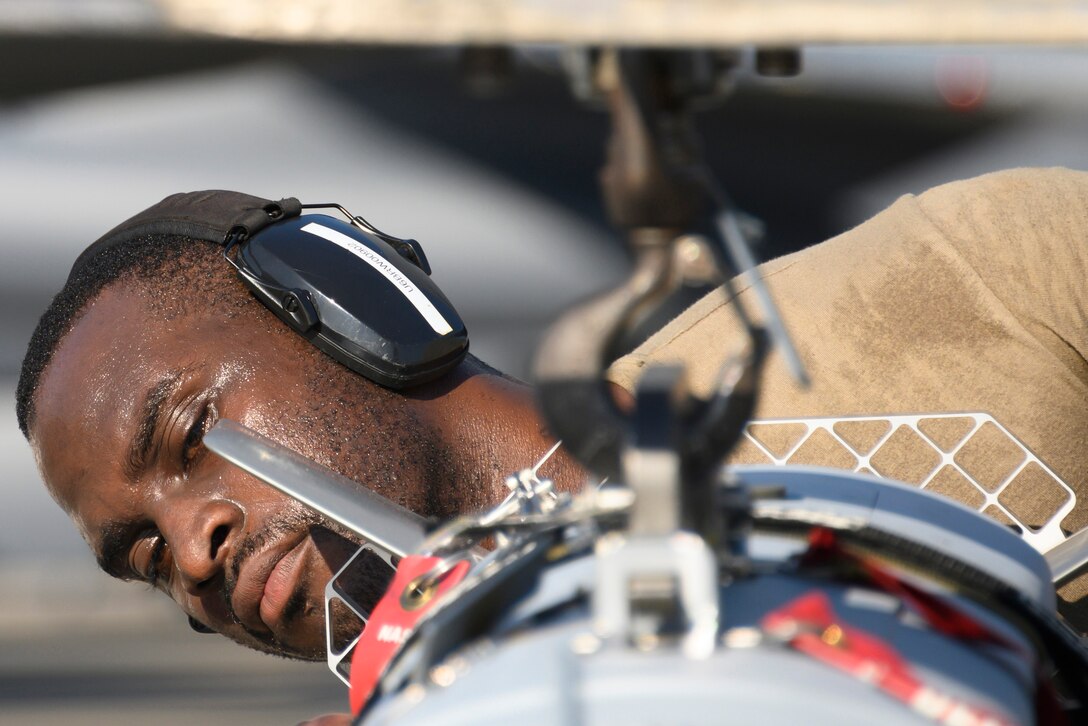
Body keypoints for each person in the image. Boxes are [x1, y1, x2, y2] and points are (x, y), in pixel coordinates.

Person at [16, 166, 1088, 668]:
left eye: (191, 434)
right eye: (145, 555)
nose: (192, 555)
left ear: (356, 309)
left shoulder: (973, 278)